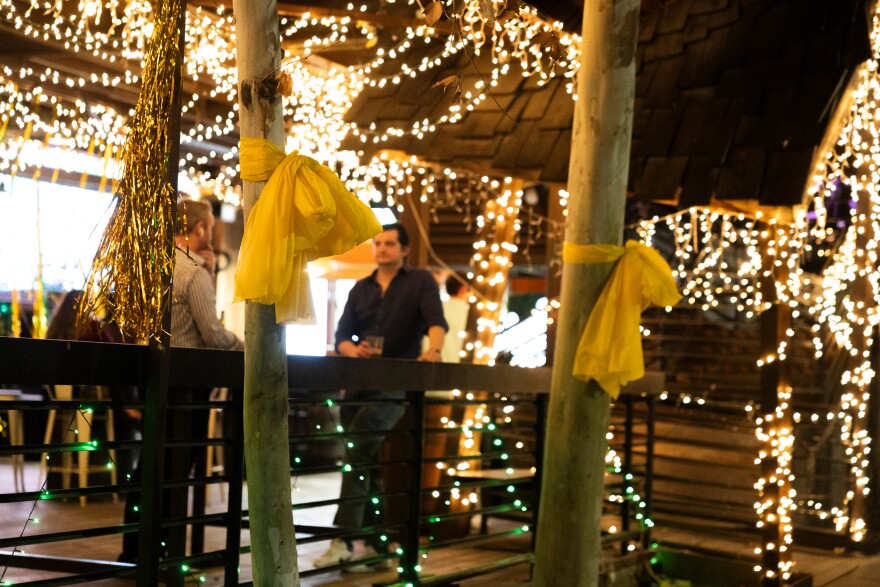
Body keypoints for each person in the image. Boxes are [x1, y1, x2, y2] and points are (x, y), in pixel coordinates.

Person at [314, 223, 447, 571]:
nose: (382, 248)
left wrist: (434, 349)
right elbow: (342, 334)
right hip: (357, 383)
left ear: (404, 249)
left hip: (395, 384)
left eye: (389, 243)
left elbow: (436, 321)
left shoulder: (420, 282)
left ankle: (342, 540)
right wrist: (350, 349)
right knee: (366, 462)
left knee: (358, 448)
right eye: (378, 243)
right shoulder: (360, 288)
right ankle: (378, 545)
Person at [120, 198, 242, 562]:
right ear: (200, 228)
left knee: (151, 466)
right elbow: (214, 336)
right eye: (211, 227)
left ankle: (136, 551)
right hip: (187, 387)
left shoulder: (150, 266)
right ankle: (165, 553)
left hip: (153, 382)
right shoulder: (192, 273)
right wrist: (246, 345)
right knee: (176, 468)